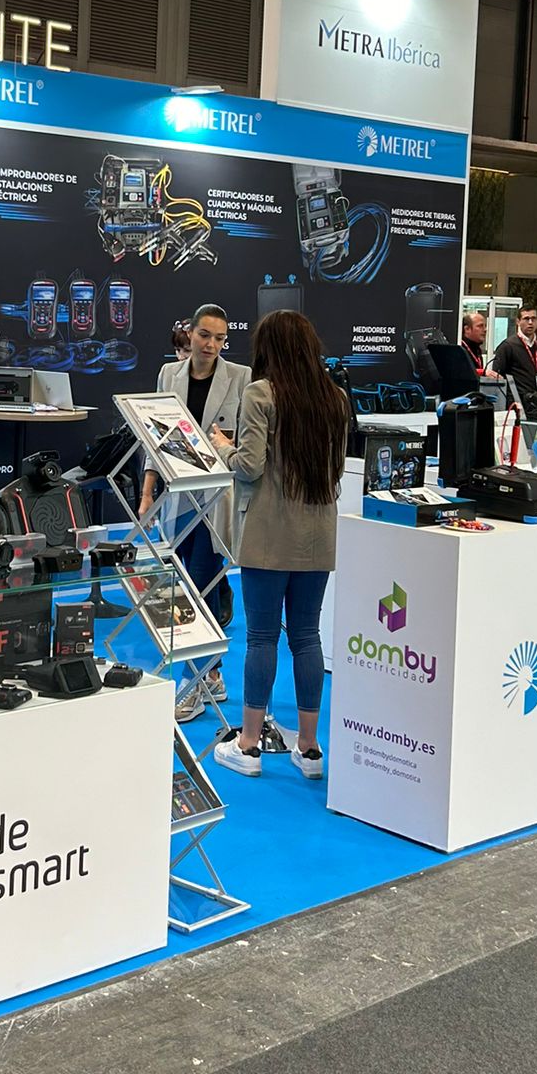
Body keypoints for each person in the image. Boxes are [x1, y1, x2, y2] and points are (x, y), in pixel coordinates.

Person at [208, 310, 349, 782]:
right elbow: (335, 471)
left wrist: (221, 446)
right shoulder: (336, 398)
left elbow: (248, 466)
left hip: (268, 532)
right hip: (318, 533)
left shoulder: (260, 394)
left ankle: (248, 743)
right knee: (306, 636)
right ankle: (309, 748)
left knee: (262, 637)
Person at [141, 304, 250, 723]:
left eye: (220, 338)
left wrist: (227, 445)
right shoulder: (168, 375)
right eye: (205, 335)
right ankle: (213, 675)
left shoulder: (241, 377)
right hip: (176, 498)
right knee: (181, 587)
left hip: (216, 499)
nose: (211, 345)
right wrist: (147, 493)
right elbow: (153, 438)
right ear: (189, 333)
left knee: (201, 586)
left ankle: (195, 681)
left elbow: (245, 444)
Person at [492, 303, 537, 419]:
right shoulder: (508, 346)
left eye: (533, 319)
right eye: (526, 319)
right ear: (518, 321)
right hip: (515, 406)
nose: (530, 322)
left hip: (536, 403)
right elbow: (497, 378)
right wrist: (509, 403)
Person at [461, 309, 488, 376]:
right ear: (467, 329)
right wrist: (482, 372)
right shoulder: (460, 348)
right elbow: (460, 371)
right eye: (480, 326)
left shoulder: (477, 349)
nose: (485, 330)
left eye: (485, 326)